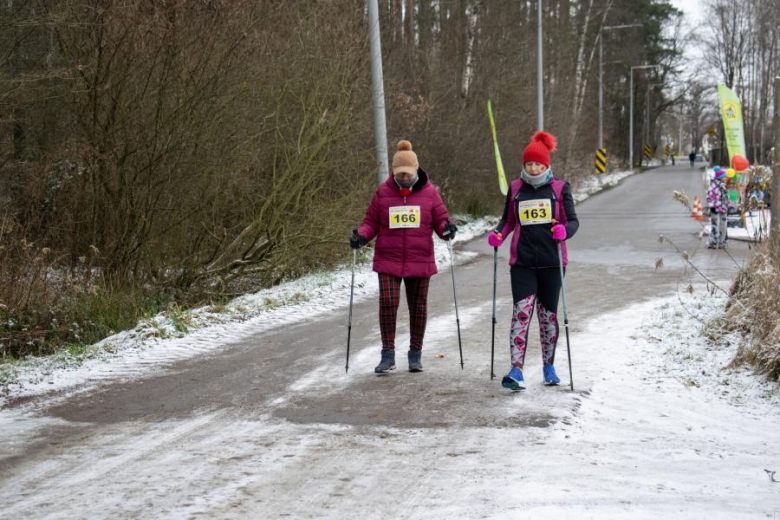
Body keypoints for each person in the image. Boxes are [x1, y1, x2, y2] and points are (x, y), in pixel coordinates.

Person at [351, 140, 456, 374]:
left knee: (418, 307)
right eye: (400, 174)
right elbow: (371, 223)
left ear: (416, 169)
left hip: (420, 259)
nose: (404, 178)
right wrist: (361, 236)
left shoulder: (430, 193)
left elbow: (441, 221)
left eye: (408, 173)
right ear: (394, 172)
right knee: (388, 304)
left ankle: (415, 354)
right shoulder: (383, 192)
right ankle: (387, 355)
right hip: (388, 258)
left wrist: (447, 228)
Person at [486, 131, 579, 390]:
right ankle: (516, 370)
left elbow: (573, 221)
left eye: (538, 164)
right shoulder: (516, 188)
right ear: (524, 165)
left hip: (552, 263)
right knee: (521, 315)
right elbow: (508, 221)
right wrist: (498, 234)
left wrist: (564, 231)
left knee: (547, 317)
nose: (533, 168)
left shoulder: (560, 188)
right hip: (523, 264)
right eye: (529, 164)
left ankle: (549, 366)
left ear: (546, 165)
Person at [707, 168, 728, 249]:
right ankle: (713, 242)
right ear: (719, 177)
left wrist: (727, 205)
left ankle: (722, 242)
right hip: (715, 209)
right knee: (715, 225)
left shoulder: (723, 186)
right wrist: (712, 206)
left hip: (723, 209)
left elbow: (725, 198)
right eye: (724, 177)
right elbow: (709, 196)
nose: (726, 178)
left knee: (724, 226)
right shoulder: (713, 186)